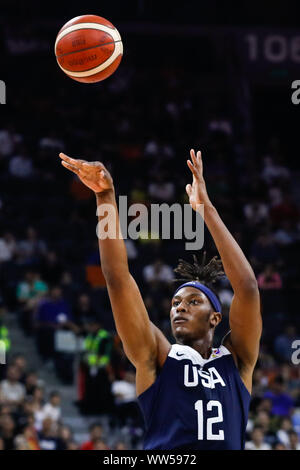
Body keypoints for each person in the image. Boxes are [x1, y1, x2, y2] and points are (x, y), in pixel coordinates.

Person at [59, 148, 262, 450]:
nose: (179, 307)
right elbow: (116, 278)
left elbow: (246, 287)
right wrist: (105, 198)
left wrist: (207, 209)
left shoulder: (237, 360)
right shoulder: (158, 356)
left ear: (215, 318)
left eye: (193, 302)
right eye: (176, 303)